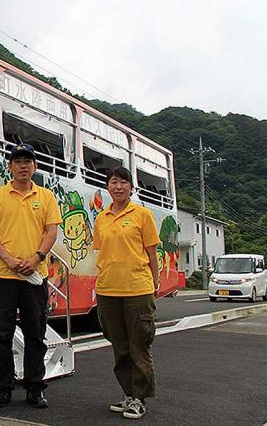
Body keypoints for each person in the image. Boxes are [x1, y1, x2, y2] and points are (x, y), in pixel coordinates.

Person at [0, 143, 61, 409]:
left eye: (28, 161)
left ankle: (35, 388)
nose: (23, 166)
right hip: (3, 275)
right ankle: (2, 389)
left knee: (35, 333)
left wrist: (36, 258)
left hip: (35, 276)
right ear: (10, 167)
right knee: (2, 334)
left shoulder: (46, 197)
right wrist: (10, 260)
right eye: (17, 161)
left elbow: (51, 232)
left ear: (35, 166)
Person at [93, 166, 160, 420]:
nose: (118, 186)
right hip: (108, 290)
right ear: (107, 187)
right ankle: (128, 395)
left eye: (123, 182)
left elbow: (152, 253)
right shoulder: (102, 218)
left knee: (139, 345)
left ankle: (140, 398)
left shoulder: (142, 214)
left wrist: (154, 283)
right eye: (113, 182)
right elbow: (100, 253)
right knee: (119, 346)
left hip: (137, 290)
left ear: (131, 187)